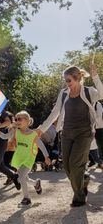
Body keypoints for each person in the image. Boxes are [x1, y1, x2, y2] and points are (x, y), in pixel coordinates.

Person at [37, 64, 103, 207]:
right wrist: (41, 129)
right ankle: (83, 180)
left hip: (84, 133)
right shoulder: (64, 93)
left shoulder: (88, 91)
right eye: (65, 80)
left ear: (77, 78)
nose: (67, 83)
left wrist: (95, 77)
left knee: (75, 164)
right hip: (66, 132)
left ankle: (79, 196)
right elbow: (55, 112)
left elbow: (102, 94)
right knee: (67, 166)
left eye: (69, 80)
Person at [11, 111, 51, 206]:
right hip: (20, 159)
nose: (17, 121)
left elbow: (41, 145)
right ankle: (36, 183)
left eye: (19, 119)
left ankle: (27, 198)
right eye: (16, 119)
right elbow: (4, 136)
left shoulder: (33, 134)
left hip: (29, 159)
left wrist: (46, 157)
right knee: (24, 178)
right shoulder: (16, 132)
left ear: (27, 121)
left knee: (21, 177)